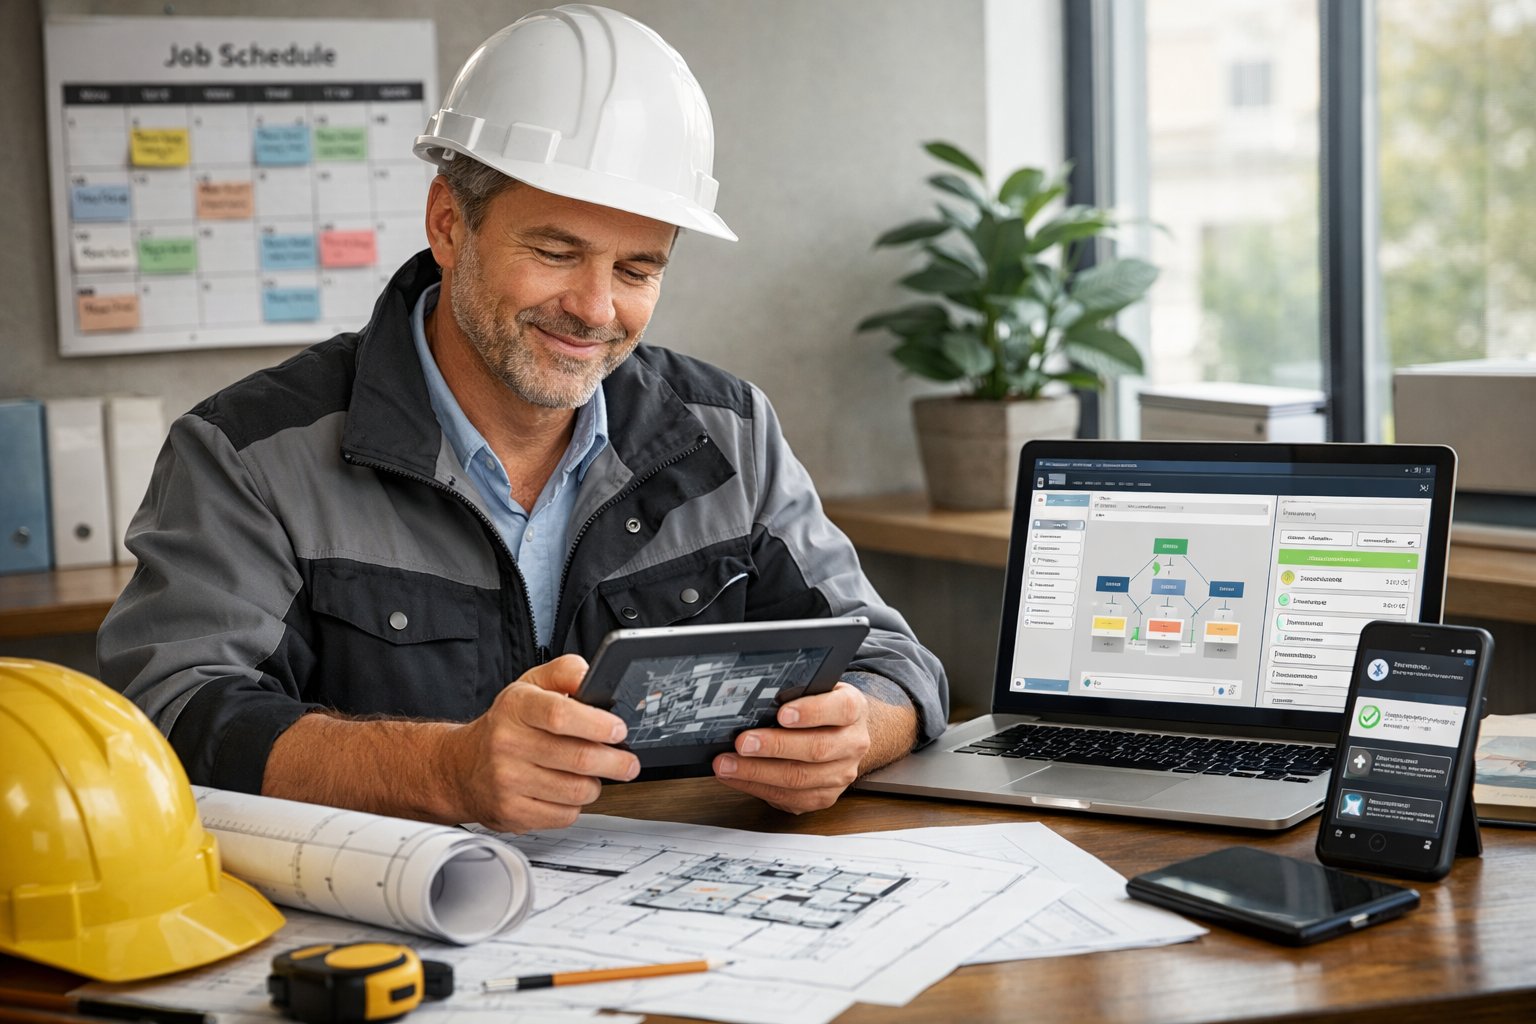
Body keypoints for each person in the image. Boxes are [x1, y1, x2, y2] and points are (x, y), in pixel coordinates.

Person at [99, 5, 947, 833]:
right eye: (554, 252)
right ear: (448, 224)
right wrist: (445, 772)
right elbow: (170, 716)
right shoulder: (250, 453)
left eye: (637, 270)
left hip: (675, 905)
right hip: (391, 912)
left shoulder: (731, 436)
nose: (595, 308)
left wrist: (852, 734)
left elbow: (896, 666)